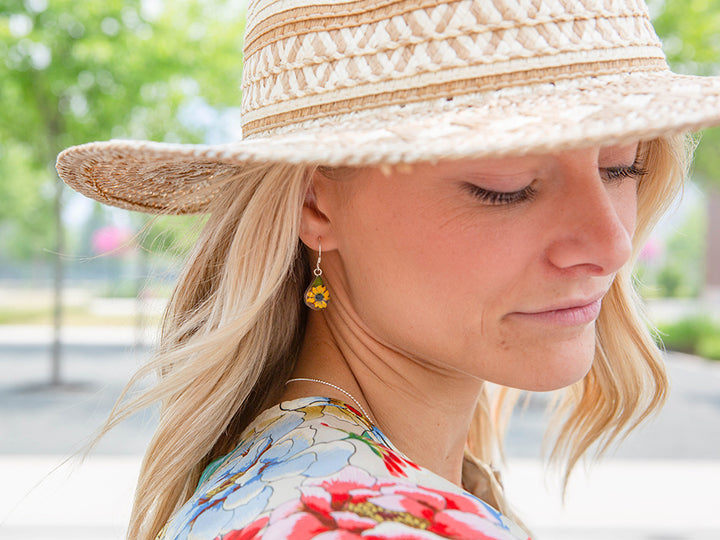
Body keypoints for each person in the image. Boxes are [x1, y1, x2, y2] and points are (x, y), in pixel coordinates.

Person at [56, 0, 720, 539]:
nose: (610, 242)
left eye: (621, 166)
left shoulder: (277, 477)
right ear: (317, 200)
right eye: (507, 185)